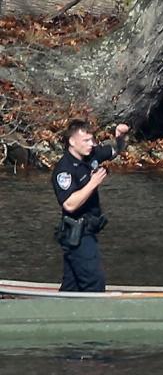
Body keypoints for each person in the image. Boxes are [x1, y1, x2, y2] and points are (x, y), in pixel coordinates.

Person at [52, 119, 129, 292]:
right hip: (77, 234)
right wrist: (93, 183)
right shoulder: (64, 170)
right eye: (86, 141)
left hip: (90, 229)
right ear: (72, 142)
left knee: (73, 285)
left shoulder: (92, 155)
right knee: (94, 281)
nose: (91, 144)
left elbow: (116, 150)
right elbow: (69, 204)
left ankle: (61, 313)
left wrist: (121, 137)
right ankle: (94, 315)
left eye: (92, 140)